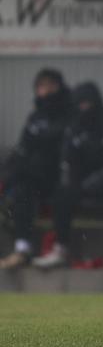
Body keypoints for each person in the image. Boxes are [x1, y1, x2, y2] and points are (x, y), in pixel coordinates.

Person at [33, 82, 103, 269]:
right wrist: (76, 181)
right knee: (62, 193)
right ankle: (60, 248)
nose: (85, 109)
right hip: (86, 184)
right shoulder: (75, 126)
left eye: (88, 104)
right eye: (81, 105)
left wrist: (98, 179)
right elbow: (68, 160)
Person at [0, 69, 73, 269]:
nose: (47, 91)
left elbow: (64, 149)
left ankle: (60, 249)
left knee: (62, 194)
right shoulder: (35, 117)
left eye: (51, 85)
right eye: (42, 86)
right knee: (20, 191)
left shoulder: (70, 114)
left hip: (63, 176)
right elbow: (23, 149)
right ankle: (22, 249)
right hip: (35, 177)